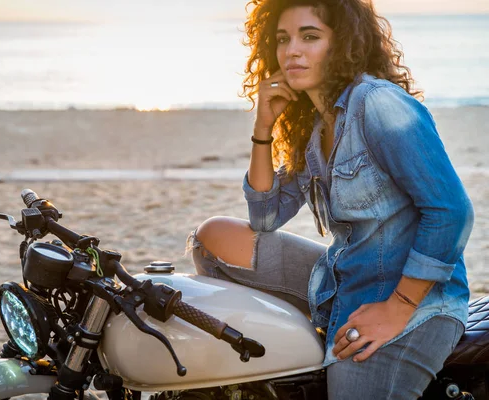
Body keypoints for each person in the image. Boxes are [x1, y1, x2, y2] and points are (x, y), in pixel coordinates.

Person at [185, 0, 475, 398]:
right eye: (283, 39)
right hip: (342, 279)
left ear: (343, 45)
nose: (292, 51)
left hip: (416, 301)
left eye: (310, 37)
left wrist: (397, 309)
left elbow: (451, 211)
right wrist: (264, 127)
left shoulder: (378, 104)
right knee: (212, 239)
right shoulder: (314, 122)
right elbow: (266, 217)